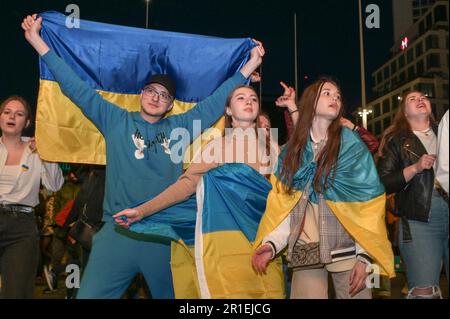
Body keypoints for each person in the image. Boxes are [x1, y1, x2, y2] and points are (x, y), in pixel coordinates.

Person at [22, 14, 264, 298]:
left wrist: (250, 64)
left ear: (171, 105)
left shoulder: (180, 127)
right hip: (117, 232)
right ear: (141, 93)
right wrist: (37, 41)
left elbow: (214, 103)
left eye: (163, 95)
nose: (156, 97)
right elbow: (75, 87)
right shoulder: (115, 119)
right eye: (151, 90)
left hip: (163, 235)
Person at [113, 84, 282, 298]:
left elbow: (284, 197)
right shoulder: (215, 148)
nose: (249, 101)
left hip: (264, 242)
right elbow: (186, 185)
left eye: (253, 99)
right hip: (227, 246)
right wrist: (142, 211)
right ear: (228, 110)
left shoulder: (272, 149)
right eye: (240, 98)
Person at [251, 78, 394, 299]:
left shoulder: (352, 146)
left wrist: (364, 256)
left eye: (337, 96)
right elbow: (284, 205)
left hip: (348, 250)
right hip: (306, 250)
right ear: (310, 101)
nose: (334, 98)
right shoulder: (293, 151)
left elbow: (367, 205)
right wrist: (271, 244)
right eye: (327, 93)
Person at [377, 91, 448, 299]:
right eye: (412, 99)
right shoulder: (396, 140)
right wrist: (415, 168)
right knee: (424, 291)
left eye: (424, 97)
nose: (420, 100)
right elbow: (382, 183)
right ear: (404, 112)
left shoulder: (445, 130)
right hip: (419, 220)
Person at [0, 95, 64, 298]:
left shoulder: (37, 149)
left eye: (19, 114)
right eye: (7, 112)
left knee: (17, 292)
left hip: (22, 227)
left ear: (27, 122)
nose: (12, 117)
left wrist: (47, 154)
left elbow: (55, 186)